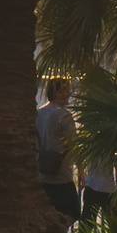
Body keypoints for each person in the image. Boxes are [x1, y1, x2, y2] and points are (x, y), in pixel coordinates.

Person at [37, 76, 82, 222]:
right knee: (71, 214)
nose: (68, 93)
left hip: (43, 173)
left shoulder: (39, 113)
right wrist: (81, 170)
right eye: (65, 90)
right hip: (61, 175)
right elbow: (73, 144)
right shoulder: (64, 115)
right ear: (57, 93)